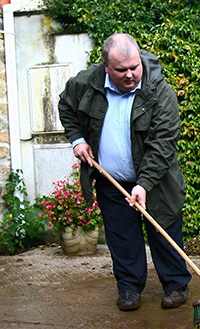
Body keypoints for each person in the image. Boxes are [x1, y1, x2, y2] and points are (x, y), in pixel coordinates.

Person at [58, 33, 191, 312]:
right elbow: (66, 107)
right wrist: (77, 140)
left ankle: (176, 285)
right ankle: (129, 288)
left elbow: (162, 143)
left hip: (157, 182)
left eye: (134, 67)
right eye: (121, 70)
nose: (130, 74)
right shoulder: (85, 84)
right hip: (111, 180)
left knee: (163, 229)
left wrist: (143, 184)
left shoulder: (159, 91)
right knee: (121, 237)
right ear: (106, 67)